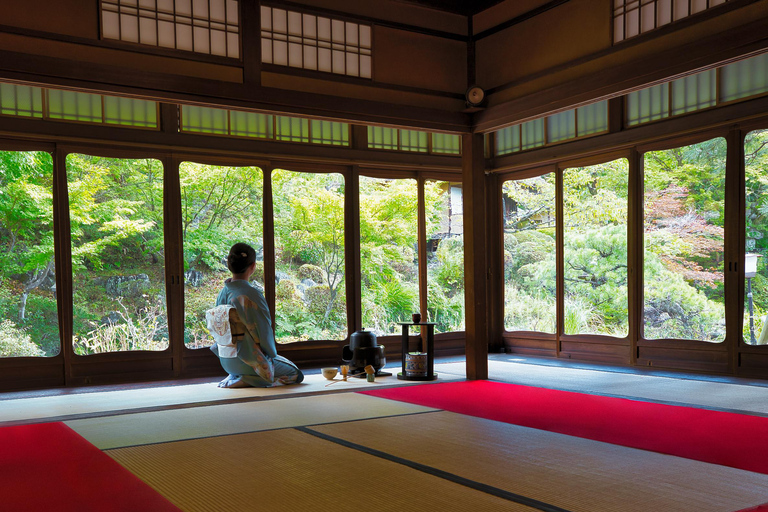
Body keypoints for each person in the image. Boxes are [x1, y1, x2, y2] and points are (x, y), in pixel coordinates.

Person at [208, 242, 304, 388]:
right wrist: (271, 354)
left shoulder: (223, 293)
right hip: (249, 361)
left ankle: (237, 376)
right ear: (253, 266)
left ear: (229, 265)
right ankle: (250, 379)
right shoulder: (251, 295)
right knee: (295, 373)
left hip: (226, 360)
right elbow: (264, 332)